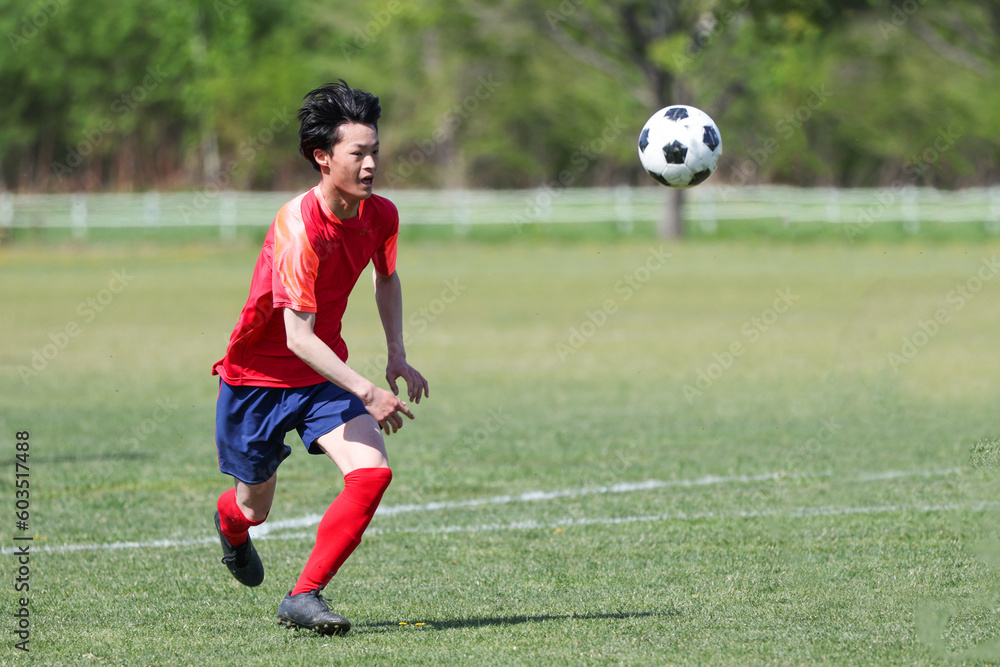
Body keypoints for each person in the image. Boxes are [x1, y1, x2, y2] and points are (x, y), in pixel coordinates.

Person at [211, 80, 428, 636]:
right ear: (323, 157)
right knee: (254, 509)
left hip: (322, 378)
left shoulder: (380, 216)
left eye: (375, 150)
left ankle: (304, 596)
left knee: (372, 473)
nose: (371, 163)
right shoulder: (298, 226)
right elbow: (296, 337)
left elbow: (387, 277)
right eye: (358, 153)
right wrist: (368, 390)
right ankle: (230, 526)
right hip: (257, 379)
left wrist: (397, 355)